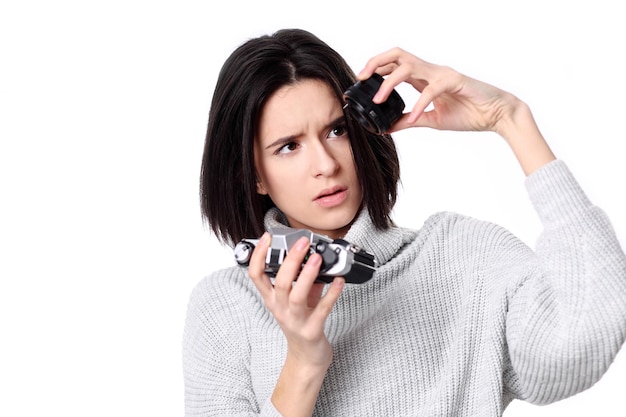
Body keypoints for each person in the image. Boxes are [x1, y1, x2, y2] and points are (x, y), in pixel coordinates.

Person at [183, 28, 626, 417]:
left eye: (336, 130)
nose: (325, 164)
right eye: (288, 147)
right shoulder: (226, 307)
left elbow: (585, 339)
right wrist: (304, 360)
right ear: (253, 174)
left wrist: (510, 119)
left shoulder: (460, 256)